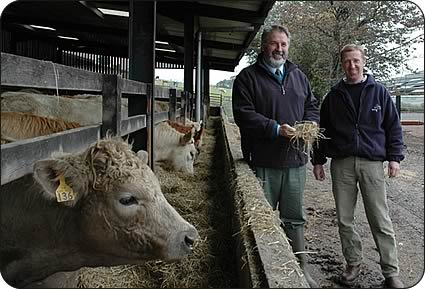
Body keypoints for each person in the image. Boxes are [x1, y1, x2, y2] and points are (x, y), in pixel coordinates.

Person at [232, 25, 319, 287]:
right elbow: (243, 114)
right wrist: (274, 129)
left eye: (283, 44)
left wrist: (312, 125)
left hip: (294, 161)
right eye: (273, 44)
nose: (278, 49)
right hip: (263, 161)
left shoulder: (298, 76)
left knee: (294, 218)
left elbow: (311, 106)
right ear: (263, 46)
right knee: (262, 220)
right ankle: (264, 270)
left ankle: (301, 269)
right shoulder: (247, 78)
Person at [312, 44, 405, 288]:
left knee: (379, 218)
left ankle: (390, 271)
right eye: (347, 62)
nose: (352, 66)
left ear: (363, 62)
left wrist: (394, 157)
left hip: (372, 163)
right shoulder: (333, 96)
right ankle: (352, 262)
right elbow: (322, 131)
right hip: (341, 164)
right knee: (345, 218)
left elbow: (393, 126)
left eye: (356, 61)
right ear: (341, 64)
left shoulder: (379, 93)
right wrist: (318, 160)